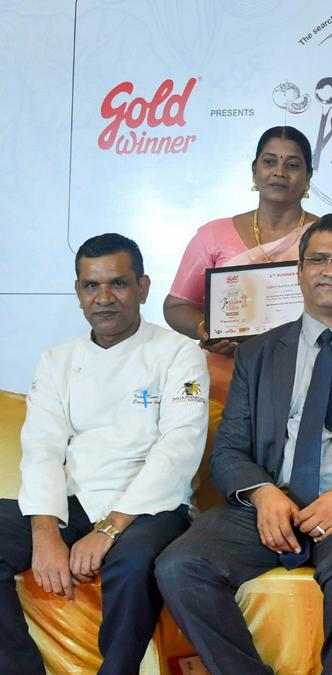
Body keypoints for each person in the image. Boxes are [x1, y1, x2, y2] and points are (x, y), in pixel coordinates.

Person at [155, 214, 332, 675]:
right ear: (299, 270)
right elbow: (228, 449)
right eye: (320, 259)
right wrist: (263, 494)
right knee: (178, 565)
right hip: (272, 503)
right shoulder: (260, 351)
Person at [0, 233, 208, 674]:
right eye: (91, 286)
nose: (105, 298)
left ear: (144, 288)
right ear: (78, 292)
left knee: (132, 566)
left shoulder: (179, 355)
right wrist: (45, 534)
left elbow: (178, 450)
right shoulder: (56, 360)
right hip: (73, 500)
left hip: (149, 506)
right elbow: (41, 449)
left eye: (119, 283)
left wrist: (108, 531)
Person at [164, 126, 332, 401]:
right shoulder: (213, 234)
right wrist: (205, 329)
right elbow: (176, 305)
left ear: (308, 176)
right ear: (254, 170)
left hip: (309, 379)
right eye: (269, 161)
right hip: (223, 382)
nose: (279, 172)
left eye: (292, 165)